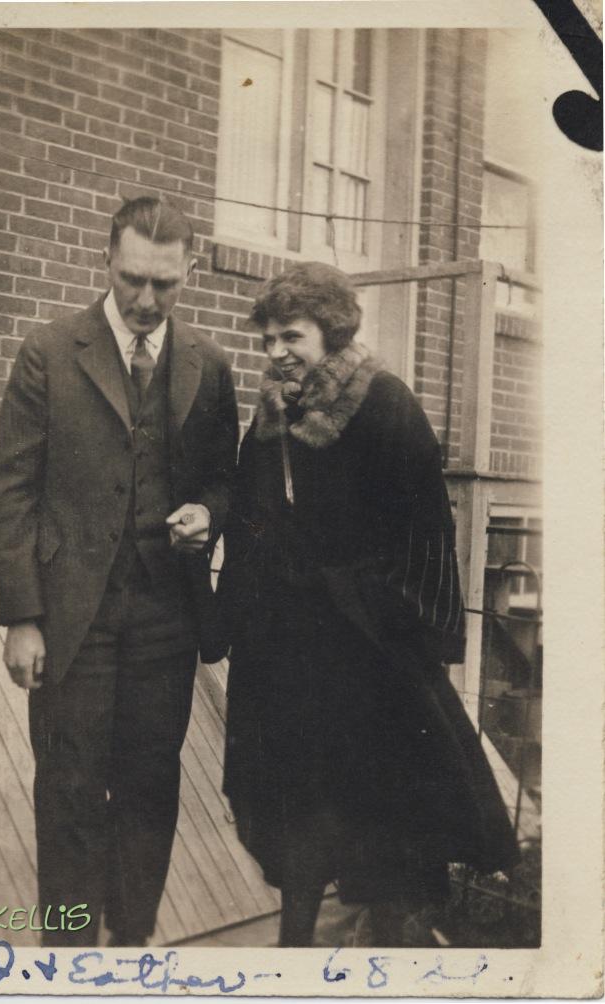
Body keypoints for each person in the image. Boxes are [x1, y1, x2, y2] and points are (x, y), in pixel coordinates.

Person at [219, 261, 520, 948]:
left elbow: (424, 536)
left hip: (368, 657)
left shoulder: (385, 404)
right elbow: (248, 523)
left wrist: (380, 617)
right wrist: (234, 616)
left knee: (386, 822)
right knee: (292, 807)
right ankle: (294, 949)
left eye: (290, 336)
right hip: (286, 656)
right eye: (267, 340)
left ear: (331, 331)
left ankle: (391, 953)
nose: (276, 353)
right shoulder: (270, 420)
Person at [0, 197, 238, 947]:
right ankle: (66, 962)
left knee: (148, 791)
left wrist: (206, 513)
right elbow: (13, 492)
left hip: (166, 618)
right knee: (68, 793)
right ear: (107, 259)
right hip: (73, 619)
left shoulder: (210, 366)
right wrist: (23, 618)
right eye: (132, 279)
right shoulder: (48, 351)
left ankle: (128, 953)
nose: (145, 300)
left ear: (188, 273)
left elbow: (225, 477)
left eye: (165, 285)